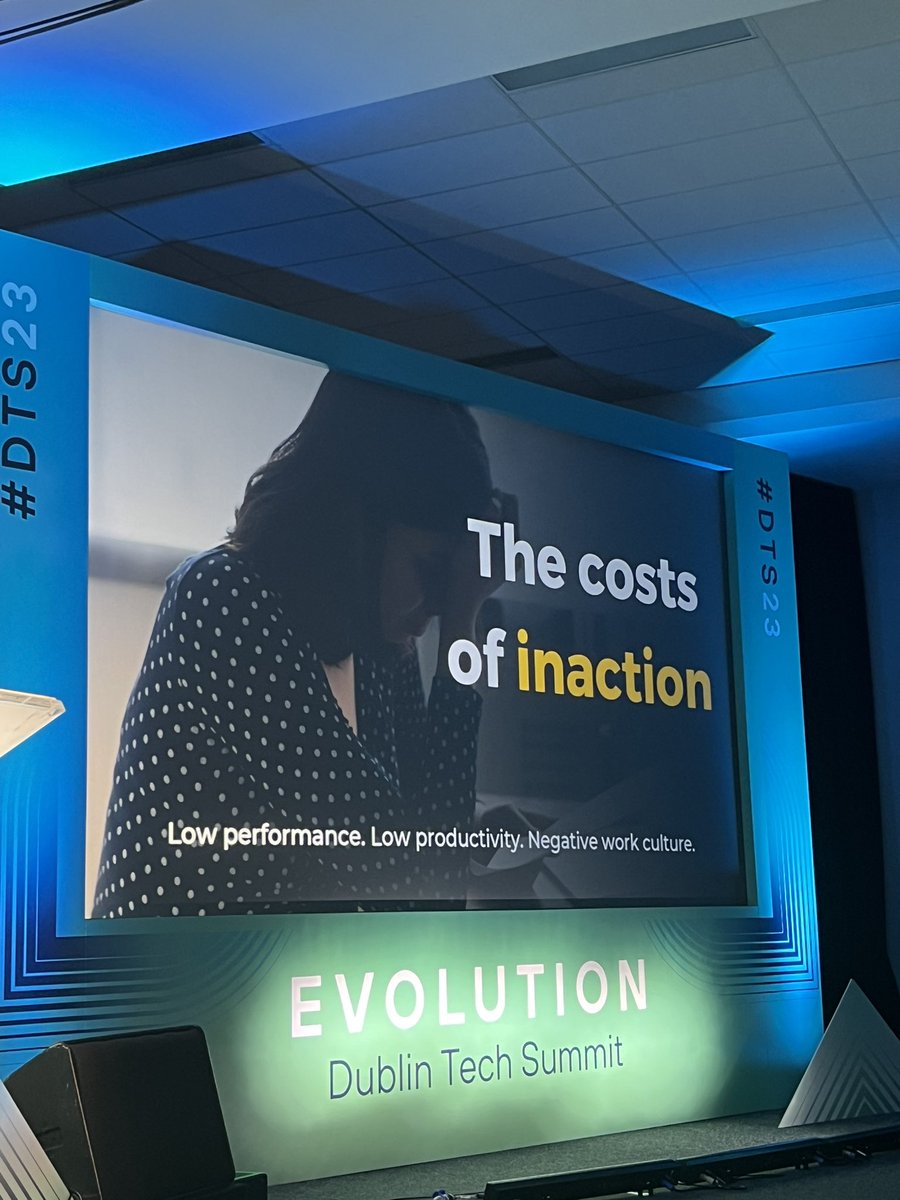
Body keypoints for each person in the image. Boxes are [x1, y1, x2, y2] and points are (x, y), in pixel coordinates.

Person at [92, 372, 496, 917]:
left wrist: (477, 825)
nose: (444, 602)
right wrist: (464, 626)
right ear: (360, 522)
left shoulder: (376, 639)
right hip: (184, 971)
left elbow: (418, 857)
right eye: (433, 570)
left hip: (287, 969)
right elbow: (415, 887)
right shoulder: (226, 600)